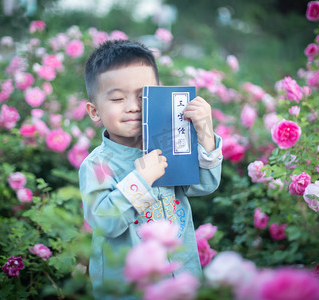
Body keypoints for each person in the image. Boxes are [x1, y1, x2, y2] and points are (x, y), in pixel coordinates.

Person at [79, 39, 223, 299]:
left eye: (142, 95)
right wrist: (141, 180)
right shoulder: (97, 165)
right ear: (94, 111)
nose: (133, 106)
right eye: (118, 98)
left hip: (182, 277)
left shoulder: (168, 140)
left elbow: (204, 184)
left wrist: (205, 135)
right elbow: (104, 222)